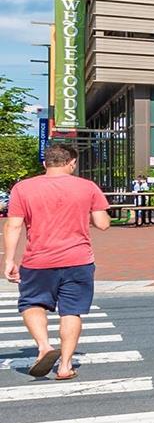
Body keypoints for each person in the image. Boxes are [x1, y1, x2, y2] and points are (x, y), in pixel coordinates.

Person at [3, 143, 112, 380]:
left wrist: (9, 260)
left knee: (31, 303)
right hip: (78, 259)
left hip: (37, 260)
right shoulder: (87, 187)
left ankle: (44, 346)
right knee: (71, 311)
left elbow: (13, 224)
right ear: (71, 163)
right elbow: (103, 223)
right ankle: (65, 365)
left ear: (45, 163)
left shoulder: (23, 188)